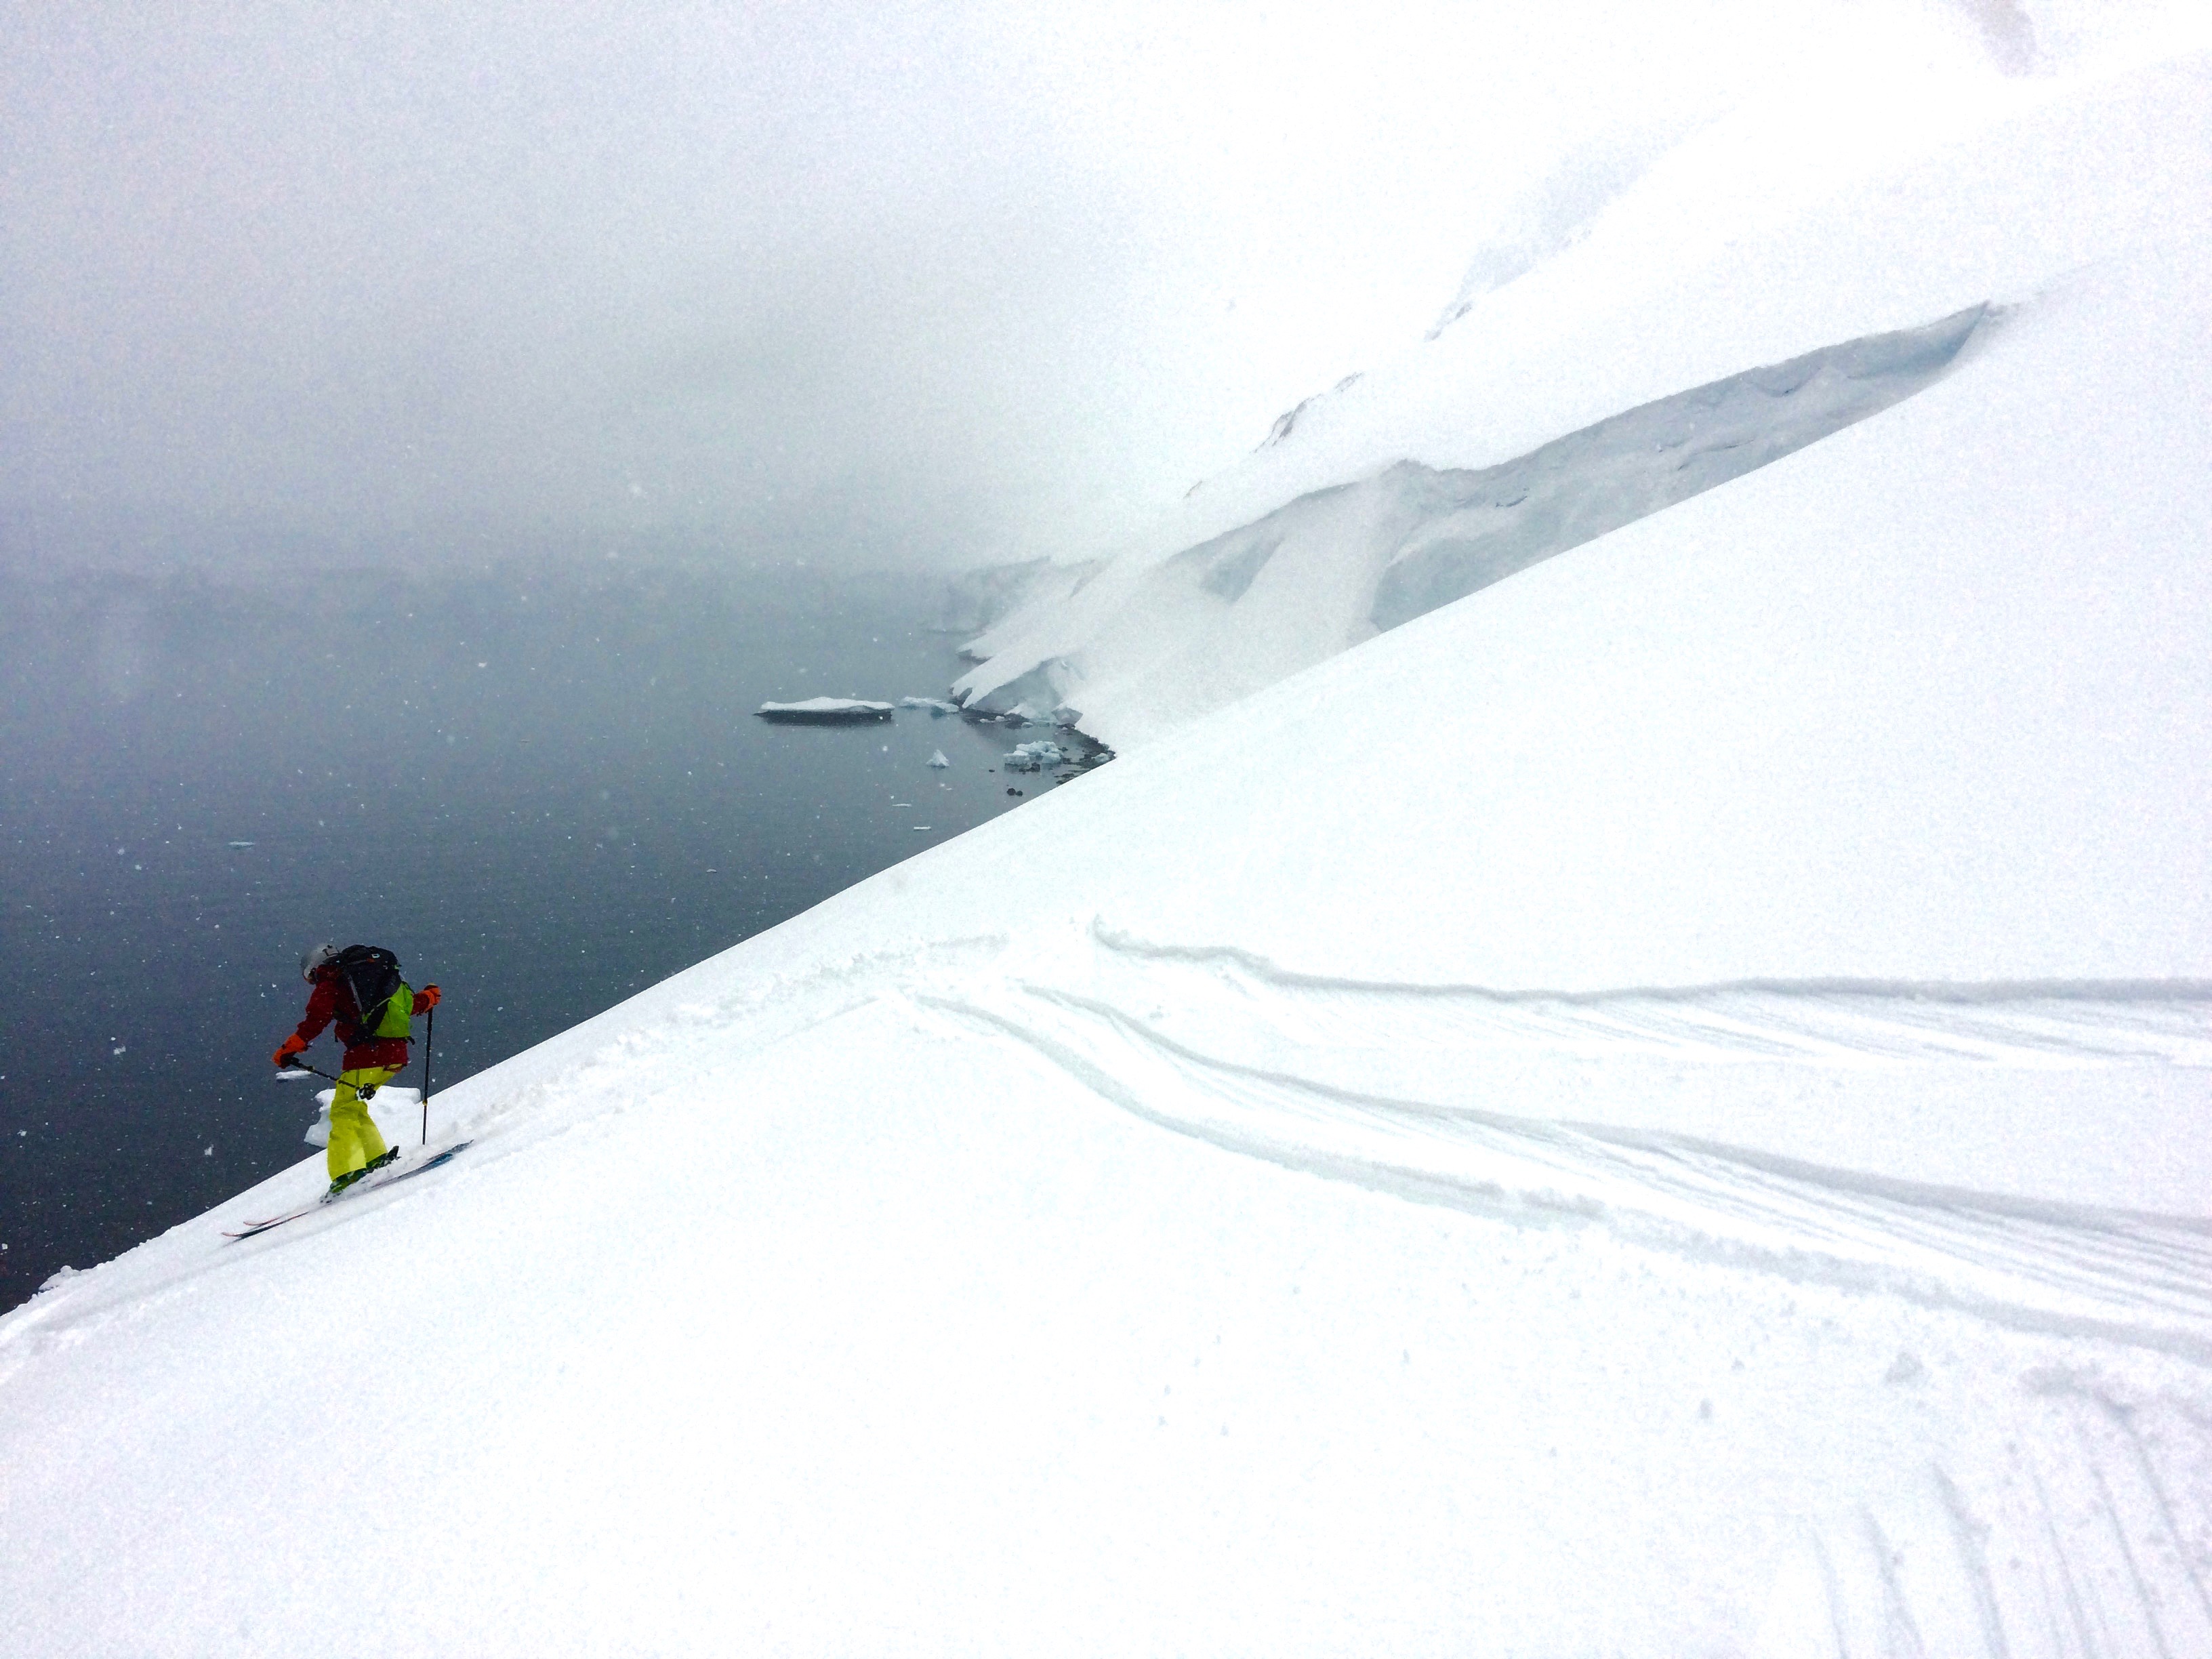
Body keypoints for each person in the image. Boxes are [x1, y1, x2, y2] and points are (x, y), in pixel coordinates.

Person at [273, 943, 442, 1196]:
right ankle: (377, 1160)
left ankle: (345, 1175)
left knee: (342, 1111)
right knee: (353, 1107)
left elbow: (317, 1018)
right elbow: (408, 1006)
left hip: (367, 1055)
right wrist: (429, 998)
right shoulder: (375, 976)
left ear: (315, 967)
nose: (313, 982)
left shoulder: (332, 981)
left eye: (311, 977)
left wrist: (290, 1047)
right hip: (395, 1054)